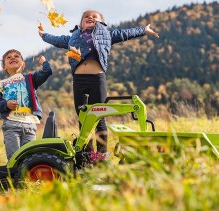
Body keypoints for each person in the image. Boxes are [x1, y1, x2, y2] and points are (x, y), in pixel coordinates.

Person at [38, 10, 159, 163]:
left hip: (97, 80)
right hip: (79, 81)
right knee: (83, 118)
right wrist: (43, 35)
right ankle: (87, 156)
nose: (90, 17)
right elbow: (56, 39)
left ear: (102, 23)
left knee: (99, 117)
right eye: (86, 17)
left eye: (94, 17)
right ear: (81, 23)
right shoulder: (72, 39)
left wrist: (143, 30)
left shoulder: (107, 35)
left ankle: (101, 157)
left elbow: (125, 33)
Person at [0, 49, 52, 160]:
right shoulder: (1, 84)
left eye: (16, 56)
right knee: (14, 158)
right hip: (11, 124)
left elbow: (47, 72)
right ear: (4, 67)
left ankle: (27, 177)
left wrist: (44, 62)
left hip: (30, 124)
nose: (13, 57)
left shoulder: (30, 79)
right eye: (8, 57)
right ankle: (15, 177)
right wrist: (6, 104)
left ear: (23, 64)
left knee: (29, 158)